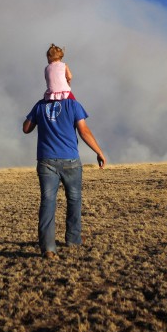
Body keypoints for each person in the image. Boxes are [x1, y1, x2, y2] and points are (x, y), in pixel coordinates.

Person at [23, 95, 106, 260]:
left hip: (46, 161)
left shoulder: (40, 106)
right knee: (74, 199)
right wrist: (99, 151)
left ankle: (48, 248)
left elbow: (26, 128)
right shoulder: (73, 105)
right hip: (70, 161)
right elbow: (84, 131)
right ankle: (73, 239)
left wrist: (38, 115)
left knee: (48, 201)